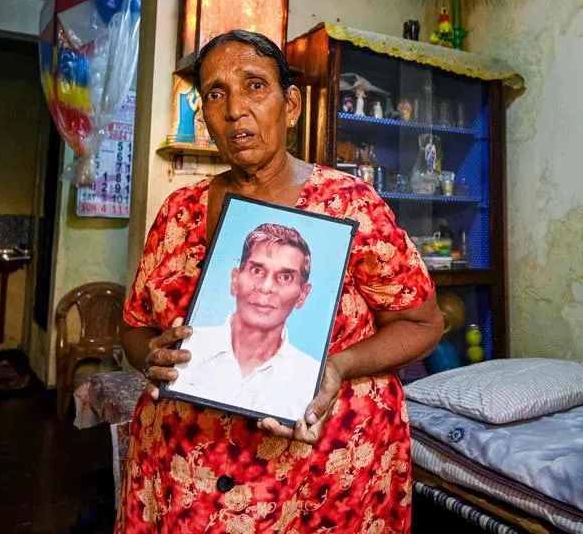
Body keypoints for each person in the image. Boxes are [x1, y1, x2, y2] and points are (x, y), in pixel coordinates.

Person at [118, 30, 444, 533]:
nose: (234, 111)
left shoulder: (349, 206)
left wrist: (338, 365)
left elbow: (423, 323)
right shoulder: (177, 212)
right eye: (216, 93)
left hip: (323, 477)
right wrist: (151, 357)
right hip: (184, 473)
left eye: (254, 86)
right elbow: (135, 325)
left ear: (289, 105)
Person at [171, 223, 321, 421]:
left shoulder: (309, 377)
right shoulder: (187, 349)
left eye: (285, 277)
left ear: (302, 295)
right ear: (235, 280)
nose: (266, 287)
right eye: (257, 271)